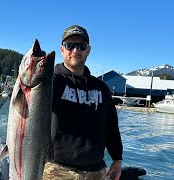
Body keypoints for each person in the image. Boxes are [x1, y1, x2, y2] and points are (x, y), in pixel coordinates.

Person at [42, 25, 123, 180]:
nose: (75, 50)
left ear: (88, 50)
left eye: (81, 46)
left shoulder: (101, 88)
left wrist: (117, 159)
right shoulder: (50, 82)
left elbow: (111, 127)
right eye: (69, 45)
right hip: (56, 170)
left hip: (96, 171)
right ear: (62, 49)